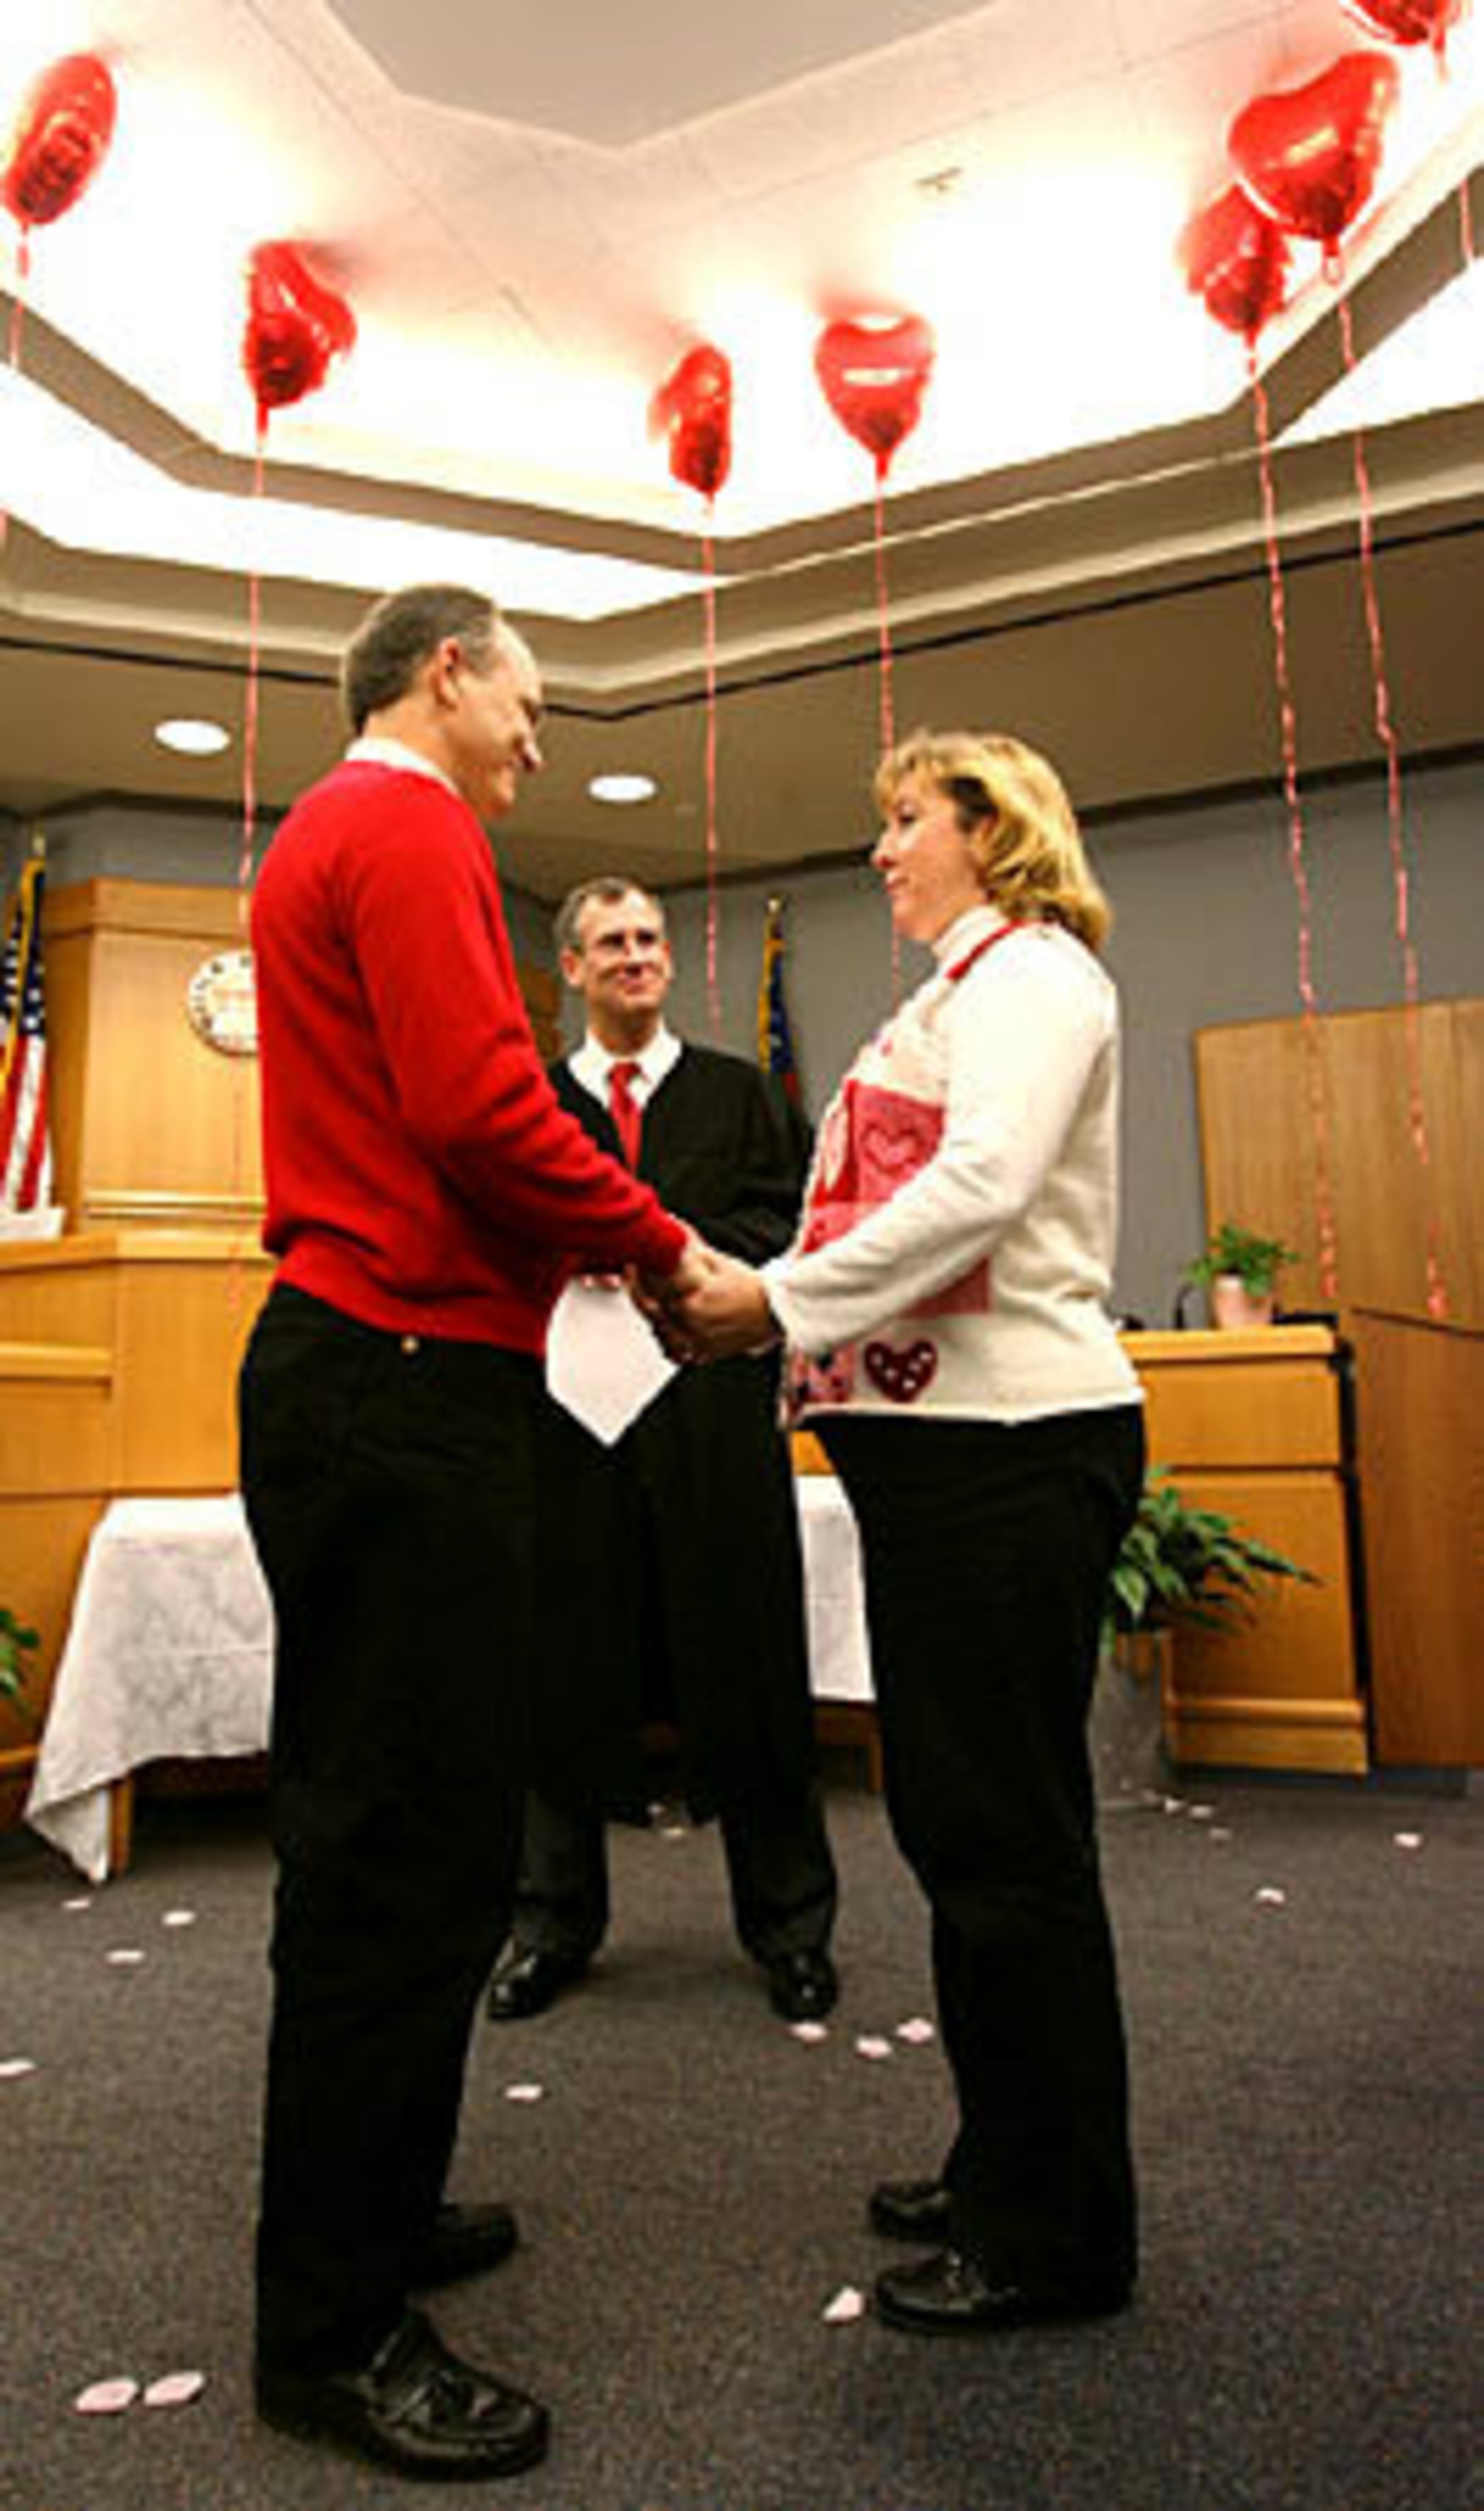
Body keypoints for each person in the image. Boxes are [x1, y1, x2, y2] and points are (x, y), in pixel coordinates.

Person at [238, 585, 703, 2481]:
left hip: (388, 1372)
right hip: (402, 1379)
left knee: (418, 1843)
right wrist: (662, 1244)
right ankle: (331, 2327)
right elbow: (480, 1102)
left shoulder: (333, 832)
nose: (537, 734)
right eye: (529, 696)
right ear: (451, 672)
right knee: (395, 1856)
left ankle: (375, 2206)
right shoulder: (408, 818)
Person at [667, 731, 1146, 2336]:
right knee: (961, 1830)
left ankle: (1057, 2233)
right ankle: (1006, 2153)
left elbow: (984, 1182)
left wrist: (774, 1304)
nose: (881, 851)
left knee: (1007, 1842)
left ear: (992, 831)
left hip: (1009, 1442)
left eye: (905, 822)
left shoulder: (1035, 976)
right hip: (941, 1452)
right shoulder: (954, 990)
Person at [487, 878, 839, 2026]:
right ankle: (550, 1924)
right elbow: (491, 1230)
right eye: (611, 945)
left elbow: (789, 1224)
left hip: (710, 1417)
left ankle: (790, 1928)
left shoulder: (743, 1096)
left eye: (650, 940)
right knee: (549, 1667)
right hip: (566, 1425)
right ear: (574, 971)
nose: (636, 958)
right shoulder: (528, 1108)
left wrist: (656, 1250)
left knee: (750, 1659)